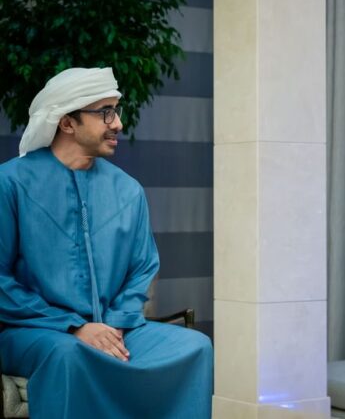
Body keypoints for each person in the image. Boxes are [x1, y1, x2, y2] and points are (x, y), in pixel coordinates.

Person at [0, 68, 213, 418]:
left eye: (117, 111)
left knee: (195, 346)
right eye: (106, 113)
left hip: (117, 326)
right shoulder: (10, 183)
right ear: (67, 122)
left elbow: (143, 268)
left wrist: (113, 325)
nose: (118, 123)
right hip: (34, 330)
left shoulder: (128, 190)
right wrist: (74, 326)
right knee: (68, 354)